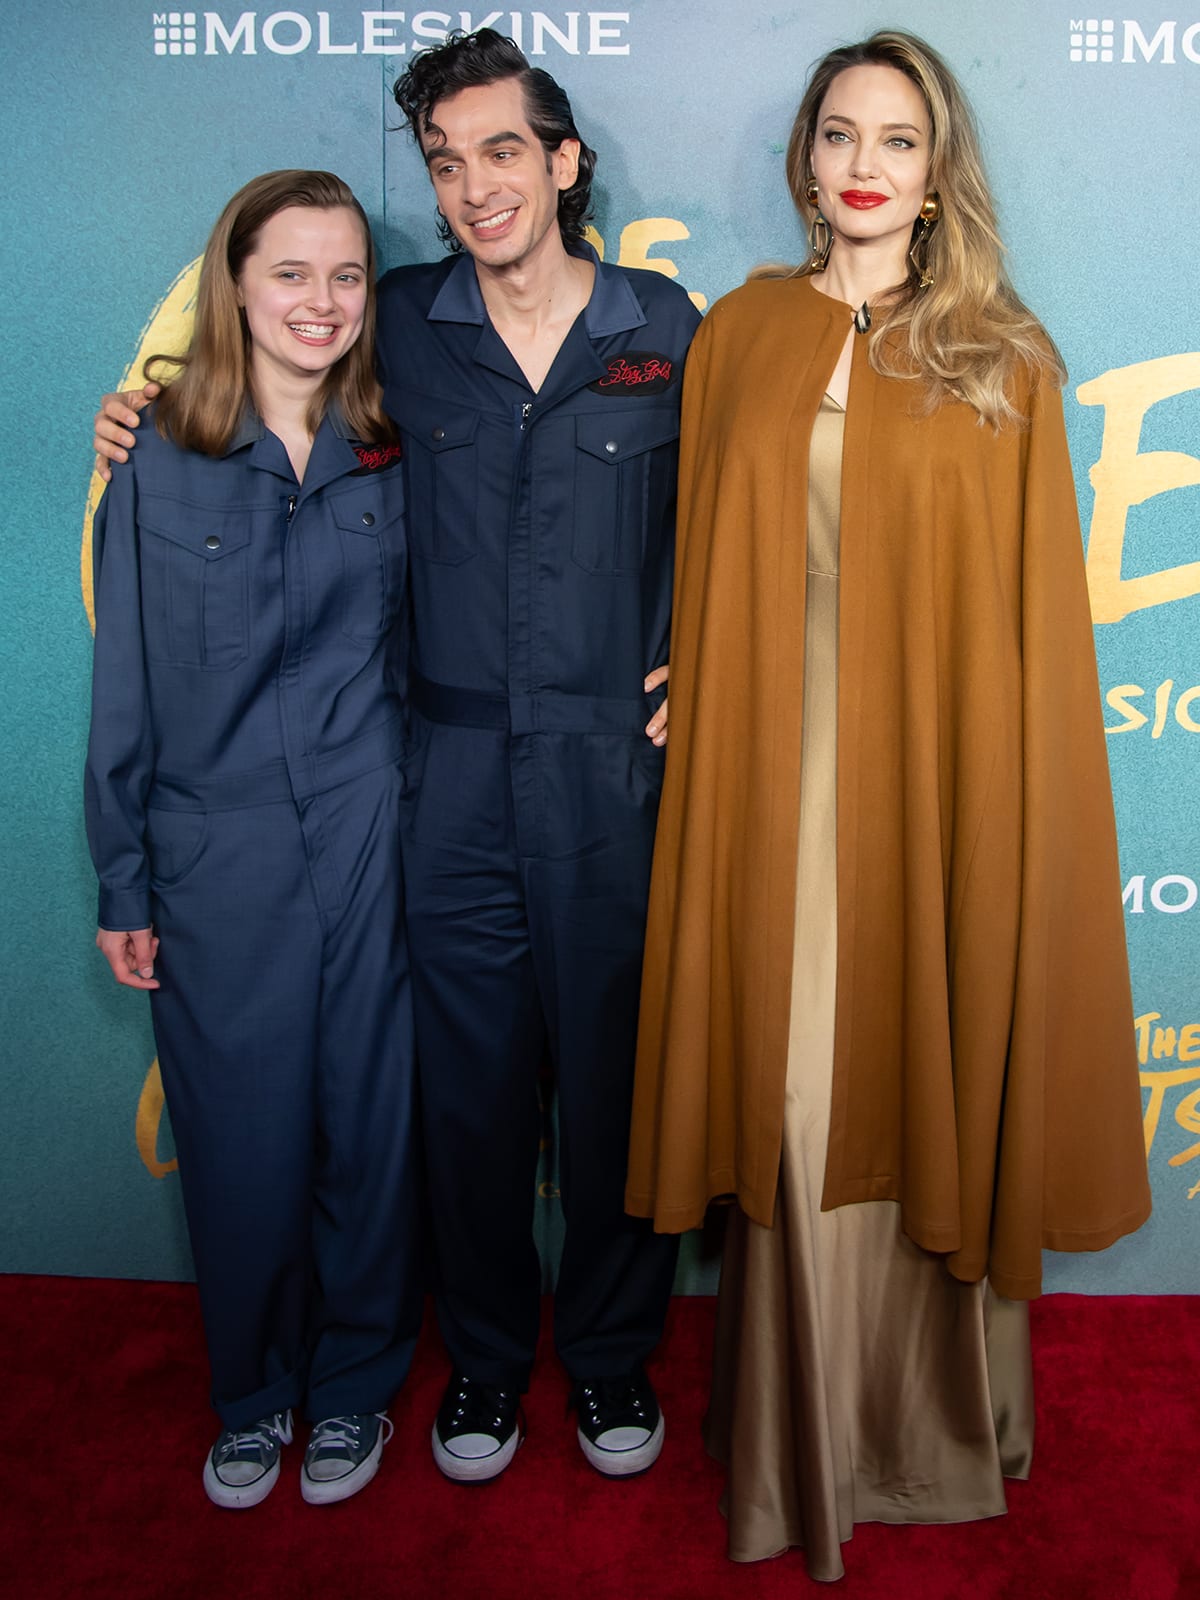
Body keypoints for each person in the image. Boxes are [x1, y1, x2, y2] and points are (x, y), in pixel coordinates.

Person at [95, 30, 700, 1483]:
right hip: (444, 784)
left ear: (562, 161)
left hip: (621, 782)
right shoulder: (399, 327)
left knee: (618, 1088)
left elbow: (757, 510)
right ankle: (486, 1365)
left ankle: (611, 1364)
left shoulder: (671, 329)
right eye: (445, 160)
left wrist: (722, 661)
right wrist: (145, 413)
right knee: (470, 1103)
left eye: (503, 149)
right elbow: (268, 378)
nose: (475, 184)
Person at [624, 31, 1151, 1581]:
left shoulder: (1006, 352)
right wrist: (692, 675)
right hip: (768, 777)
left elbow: (1029, 624)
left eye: (899, 140)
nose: (864, 160)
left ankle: (925, 1433)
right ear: (804, 159)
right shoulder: (740, 335)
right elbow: (709, 562)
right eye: (839, 132)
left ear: (937, 177)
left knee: (933, 1071)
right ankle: (800, 1449)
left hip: (933, 780)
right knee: (791, 1107)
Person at [86, 170, 421, 1509]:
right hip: (215, 856)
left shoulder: (400, 445)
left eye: (346, 277)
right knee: (240, 1143)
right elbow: (129, 686)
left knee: (369, 1131)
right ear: (236, 283)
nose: (322, 303)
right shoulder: (157, 454)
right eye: (292, 274)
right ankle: (254, 1393)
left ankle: (351, 1390)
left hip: (371, 838)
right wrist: (124, 870)